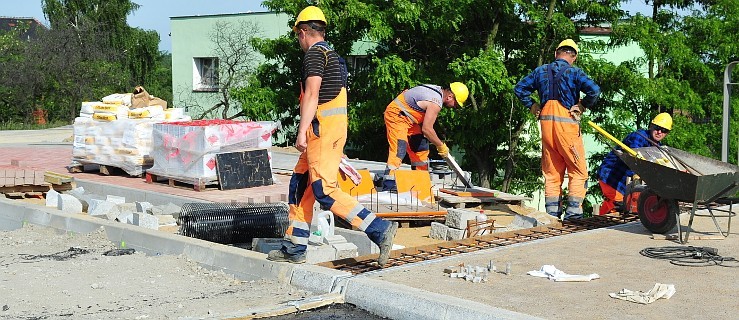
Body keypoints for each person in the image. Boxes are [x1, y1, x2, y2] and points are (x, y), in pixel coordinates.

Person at [268, 6, 398, 266]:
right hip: (332, 129)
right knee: (300, 186)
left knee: (323, 189)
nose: (298, 41)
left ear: (304, 32)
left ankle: (379, 229)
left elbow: (313, 94)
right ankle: (294, 248)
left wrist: (301, 132)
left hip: (321, 130)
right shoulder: (333, 55)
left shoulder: (314, 55)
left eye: (298, 36)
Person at [514, 39, 601, 220]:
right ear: (574, 56)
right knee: (578, 172)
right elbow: (594, 90)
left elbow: (520, 88)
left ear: (556, 53)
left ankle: (552, 217)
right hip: (567, 128)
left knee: (552, 173)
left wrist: (532, 105)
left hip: (547, 129)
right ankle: (573, 215)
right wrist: (582, 105)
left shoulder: (540, 71)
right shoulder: (574, 72)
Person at [381, 82, 469, 191]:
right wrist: (440, 145)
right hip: (397, 115)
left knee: (420, 148)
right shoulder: (435, 102)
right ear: (450, 97)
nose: (454, 107)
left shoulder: (437, 92)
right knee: (399, 149)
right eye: (455, 104)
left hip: (410, 119)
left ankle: (420, 183)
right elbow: (427, 129)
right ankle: (388, 185)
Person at [597, 113, 673, 215]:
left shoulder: (657, 147)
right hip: (610, 175)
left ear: (667, 133)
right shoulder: (639, 137)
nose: (659, 132)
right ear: (651, 126)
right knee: (619, 204)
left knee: (618, 205)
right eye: (657, 128)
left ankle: (602, 221)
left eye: (664, 130)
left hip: (623, 181)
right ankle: (600, 225)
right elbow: (633, 159)